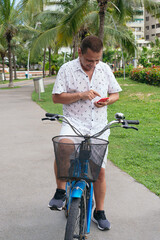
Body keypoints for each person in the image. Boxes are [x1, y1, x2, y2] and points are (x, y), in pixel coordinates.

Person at [48, 35, 122, 231]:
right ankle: (60, 192)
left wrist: (108, 101)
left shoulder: (104, 69)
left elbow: (115, 93)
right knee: (63, 145)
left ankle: (99, 212)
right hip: (74, 123)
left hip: (98, 126)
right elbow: (56, 98)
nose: (94, 64)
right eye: (89, 60)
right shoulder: (67, 69)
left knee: (100, 172)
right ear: (79, 52)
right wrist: (81, 95)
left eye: (97, 60)